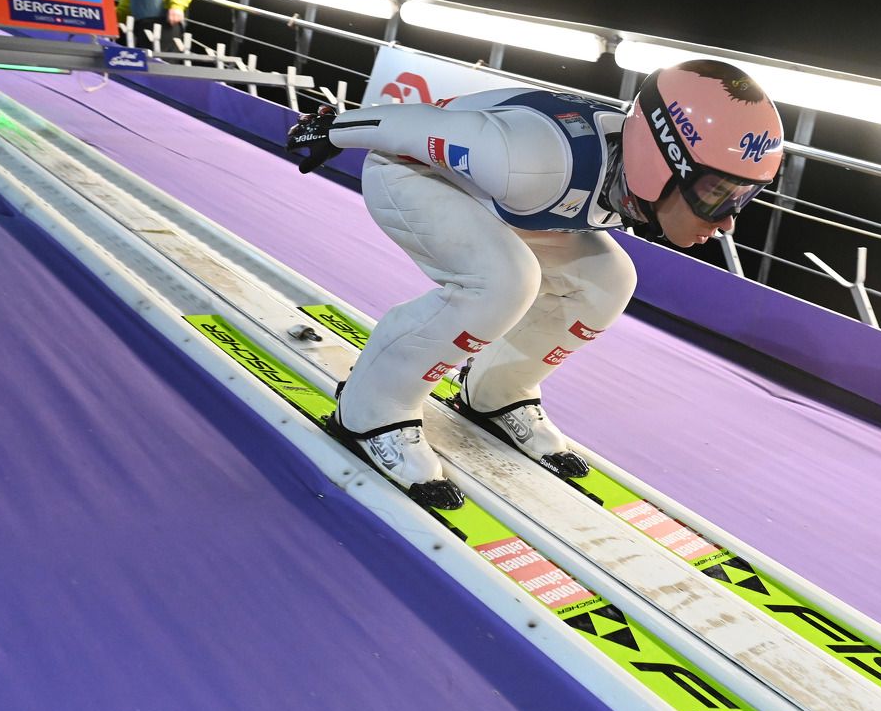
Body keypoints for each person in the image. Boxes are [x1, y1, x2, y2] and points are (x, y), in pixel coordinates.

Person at [288, 60, 784, 509]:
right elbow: (416, 126)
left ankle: (498, 390)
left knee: (608, 281)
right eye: (717, 193)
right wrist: (330, 129)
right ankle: (373, 408)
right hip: (411, 175)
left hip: (501, 197)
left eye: (744, 196)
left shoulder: (624, 172)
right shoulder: (534, 159)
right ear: (664, 161)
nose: (728, 221)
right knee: (502, 283)